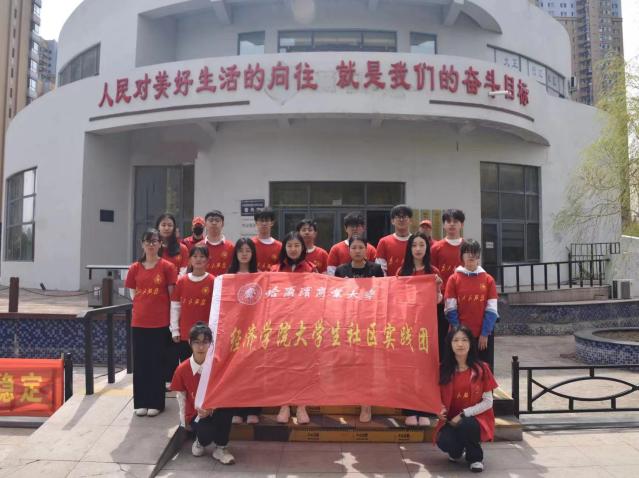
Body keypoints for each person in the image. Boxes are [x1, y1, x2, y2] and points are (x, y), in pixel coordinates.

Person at [125, 228, 178, 417]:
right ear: (142, 244)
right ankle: (141, 402)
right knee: (140, 363)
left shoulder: (167, 267)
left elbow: (172, 296)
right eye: (147, 241)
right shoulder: (134, 268)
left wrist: (173, 322)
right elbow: (133, 293)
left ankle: (156, 403)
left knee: (157, 363)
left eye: (155, 241)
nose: (151, 244)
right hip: (139, 322)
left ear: (160, 244)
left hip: (160, 323)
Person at [170, 322, 236, 465]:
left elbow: (225, 393)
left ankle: (221, 448)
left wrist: (211, 409)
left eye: (205, 342)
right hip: (196, 414)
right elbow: (181, 396)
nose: (201, 347)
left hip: (215, 409)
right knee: (206, 435)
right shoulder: (182, 369)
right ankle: (200, 441)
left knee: (227, 409)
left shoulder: (217, 365)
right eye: (197, 342)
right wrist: (183, 421)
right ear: (189, 342)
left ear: (211, 344)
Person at [435, 325, 498, 473]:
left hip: (475, 418)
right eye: (456, 340)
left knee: (467, 424)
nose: (460, 344)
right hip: (450, 419)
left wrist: (463, 414)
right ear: (450, 344)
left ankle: (475, 458)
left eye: (464, 340)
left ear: (471, 343)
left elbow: (488, 402)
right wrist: (438, 409)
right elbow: (434, 396)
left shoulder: (482, 368)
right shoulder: (442, 369)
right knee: (444, 441)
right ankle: (457, 450)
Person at [333, 234, 382, 422]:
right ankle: (349, 396)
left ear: (367, 249)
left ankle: (366, 404)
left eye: (361, 247)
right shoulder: (341, 270)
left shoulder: (375, 269)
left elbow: (383, 293)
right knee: (349, 361)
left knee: (367, 364)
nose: (358, 251)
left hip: (369, 323)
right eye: (354, 247)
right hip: (347, 323)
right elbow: (335, 297)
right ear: (349, 250)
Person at [397, 232, 443, 427]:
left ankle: (424, 410)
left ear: (427, 248)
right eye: (414, 245)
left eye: (421, 245)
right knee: (408, 369)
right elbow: (396, 299)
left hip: (427, 328)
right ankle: (409, 410)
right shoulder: (402, 271)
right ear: (409, 249)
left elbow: (438, 301)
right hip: (407, 327)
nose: (418, 249)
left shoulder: (433, 271)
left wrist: (438, 288)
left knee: (426, 369)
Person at [272, 232, 317, 424]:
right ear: (284, 248)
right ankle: (284, 405)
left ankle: (301, 406)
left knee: (303, 366)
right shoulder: (274, 270)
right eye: (289, 245)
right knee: (282, 366)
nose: (293, 249)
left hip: (304, 326)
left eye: (296, 245)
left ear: (302, 248)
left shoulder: (311, 269)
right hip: (281, 325)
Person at [444, 240, 498, 370]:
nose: (471, 255)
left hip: (482, 337)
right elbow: (450, 309)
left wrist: (485, 333)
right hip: (459, 337)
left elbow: (492, 310)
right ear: (461, 256)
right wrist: (460, 335)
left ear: (479, 256)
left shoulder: (488, 279)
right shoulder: (454, 279)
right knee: (460, 370)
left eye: (474, 252)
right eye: (467, 252)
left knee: (483, 370)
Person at [227, 238, 261, 425]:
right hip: (234, 330)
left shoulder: (260, 276)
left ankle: (253, 410)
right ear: (236, 253)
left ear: (253, 253)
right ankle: (236, 410)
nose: (244, 254)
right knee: (235, 371)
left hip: (254, 329)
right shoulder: (228, 277)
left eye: (248, 250)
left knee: (253, 371)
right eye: (241, 250)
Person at [170, 245, 215, 364]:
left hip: (206, 335)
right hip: (185, 334)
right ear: (190, 259)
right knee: (187, 366)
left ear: (207, 260)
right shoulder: (182, 281)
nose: (198, 259)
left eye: (202, 256)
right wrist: (175, 330)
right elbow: (175, 307)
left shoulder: (213, 281)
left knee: (205, 368)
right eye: (195, 256)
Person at [431, 209, 465, 356]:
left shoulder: (467, 246)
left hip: (463, 301)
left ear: (462, 224)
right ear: (443, 225)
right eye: (448, 221)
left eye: (455, 221)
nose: (452, 225)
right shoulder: (436, 248)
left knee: (462, 337)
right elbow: (431, 274)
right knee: (442, 337)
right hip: (441, 301)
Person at [375, 204, 413, 276]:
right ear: (392, 221)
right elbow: (380, 269)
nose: (401, 220)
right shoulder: (384, 242)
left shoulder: (416, 241)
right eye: (398, 217)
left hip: (413, 282)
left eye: (404, 217)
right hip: (390, 282)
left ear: (410, 220)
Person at [198, 210, 235, 277]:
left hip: (224, 283)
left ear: (222, 224)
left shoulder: (231, 247)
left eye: (217, 220)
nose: (214, 223)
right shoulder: (198, 246)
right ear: (205, 224)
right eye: (211, 220)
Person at [252, 207, 282, 272]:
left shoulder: (279, 246)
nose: (264, 223)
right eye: (261, 220)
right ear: (256, 223)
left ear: (272, 223)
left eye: (267, 220)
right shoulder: (250, 244)